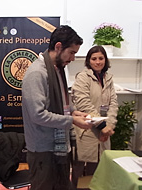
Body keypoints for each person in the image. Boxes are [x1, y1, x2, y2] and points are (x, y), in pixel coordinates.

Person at [22, 25, 93, 190]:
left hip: (58, 148)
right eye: (72, 52)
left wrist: (74, 111)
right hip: (43, 151)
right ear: (59, 46)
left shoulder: (57, 70)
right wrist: (72, 120)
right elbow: (38, 115)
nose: (73, 58)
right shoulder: (37, 73)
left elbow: (62, 101)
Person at [70, 45, 118, 188]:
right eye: (94, 59)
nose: (98, 62)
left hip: (104, 132)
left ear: (105, 59)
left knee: (98, 171)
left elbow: (113, 104)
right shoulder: (83, 77)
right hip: (87, 130)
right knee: (80, 172)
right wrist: (102, 126)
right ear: (88, 61)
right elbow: (84, 104)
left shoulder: (108, 78)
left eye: (101, 58)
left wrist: (109, 126)